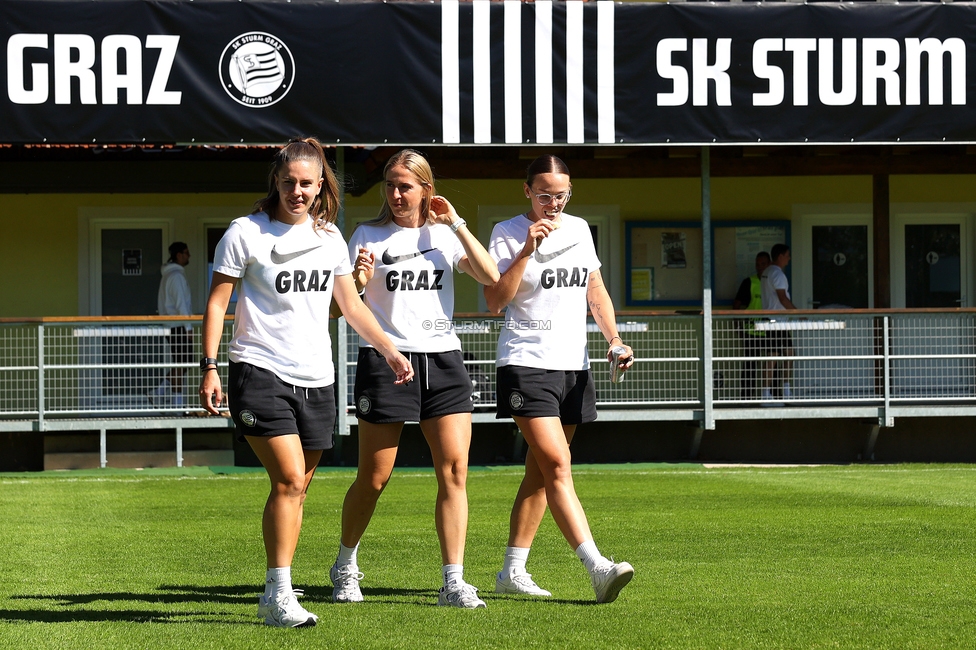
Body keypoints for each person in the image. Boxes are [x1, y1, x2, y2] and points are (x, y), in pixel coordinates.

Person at [198, 138, 414, 628]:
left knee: (297, 487)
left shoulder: (330, 239)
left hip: (317, 378)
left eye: (306, 184)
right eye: (288, 181)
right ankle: (277, 594)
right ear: (275, 181)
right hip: (258, 369)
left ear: (321, 186)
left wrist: (389, 348)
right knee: (291, 479)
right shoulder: (244, 233)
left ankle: (278, 589)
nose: (297, 191)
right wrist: (209, 366)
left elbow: (352, 306)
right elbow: (217, 304)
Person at [330, 149, 500, 609]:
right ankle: (345, 565)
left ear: (427, 188)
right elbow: (346, 304)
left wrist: (458, 222)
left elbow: (490, 276)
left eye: (406, 185)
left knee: (455, 471)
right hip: (385, 362)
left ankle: (454, 581)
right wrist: (362, 280)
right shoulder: (367, 234)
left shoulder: (445, 235)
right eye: (390, 185)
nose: (396, 194)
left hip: (444, 361)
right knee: (375, 476)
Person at [484, 154, 635, 604]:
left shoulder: (580, 229)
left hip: (574, 366)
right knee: (556, 465)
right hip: (525, 363)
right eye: (545, 194)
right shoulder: (507, 232)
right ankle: (597, 566)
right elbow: (496, 299)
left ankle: (512, 571)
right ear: (527, 191)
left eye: (562, 194)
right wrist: (527, 250)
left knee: (539, 472)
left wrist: (614, 340)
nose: (554, 203)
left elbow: (595, 289)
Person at [151, 242, 192, 407]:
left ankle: (163, 395)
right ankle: (175, 404)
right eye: (186, 253)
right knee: (183, 364)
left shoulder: (169, 275)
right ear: (178, 255)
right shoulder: (176, 276)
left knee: (182, 364)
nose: (189, 256)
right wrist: (188, 328)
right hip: (178, 326)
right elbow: (181, 304)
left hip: (172, 325)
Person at [760, 243, 797, 404]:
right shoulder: (777, 274)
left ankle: (782, 390)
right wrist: (797, 313)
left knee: (786, 353)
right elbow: (782, 298)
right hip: (777, 320)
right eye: (787, 255)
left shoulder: (767, 272)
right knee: (774, 356)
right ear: (780, 256)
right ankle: (768, 393)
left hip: (772, 320)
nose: (789, 259)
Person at [732, 251, 771, 399]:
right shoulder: (749, 282)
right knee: (750, 366)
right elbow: (736, 305)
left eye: (763, 264)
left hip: (770, 331)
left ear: (769, 264)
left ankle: (773, 395)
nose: (760, 267)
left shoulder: (773, 281)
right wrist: (738, 328)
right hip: (752, 331)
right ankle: (746, 398)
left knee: (772, 365)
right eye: (757, 264)